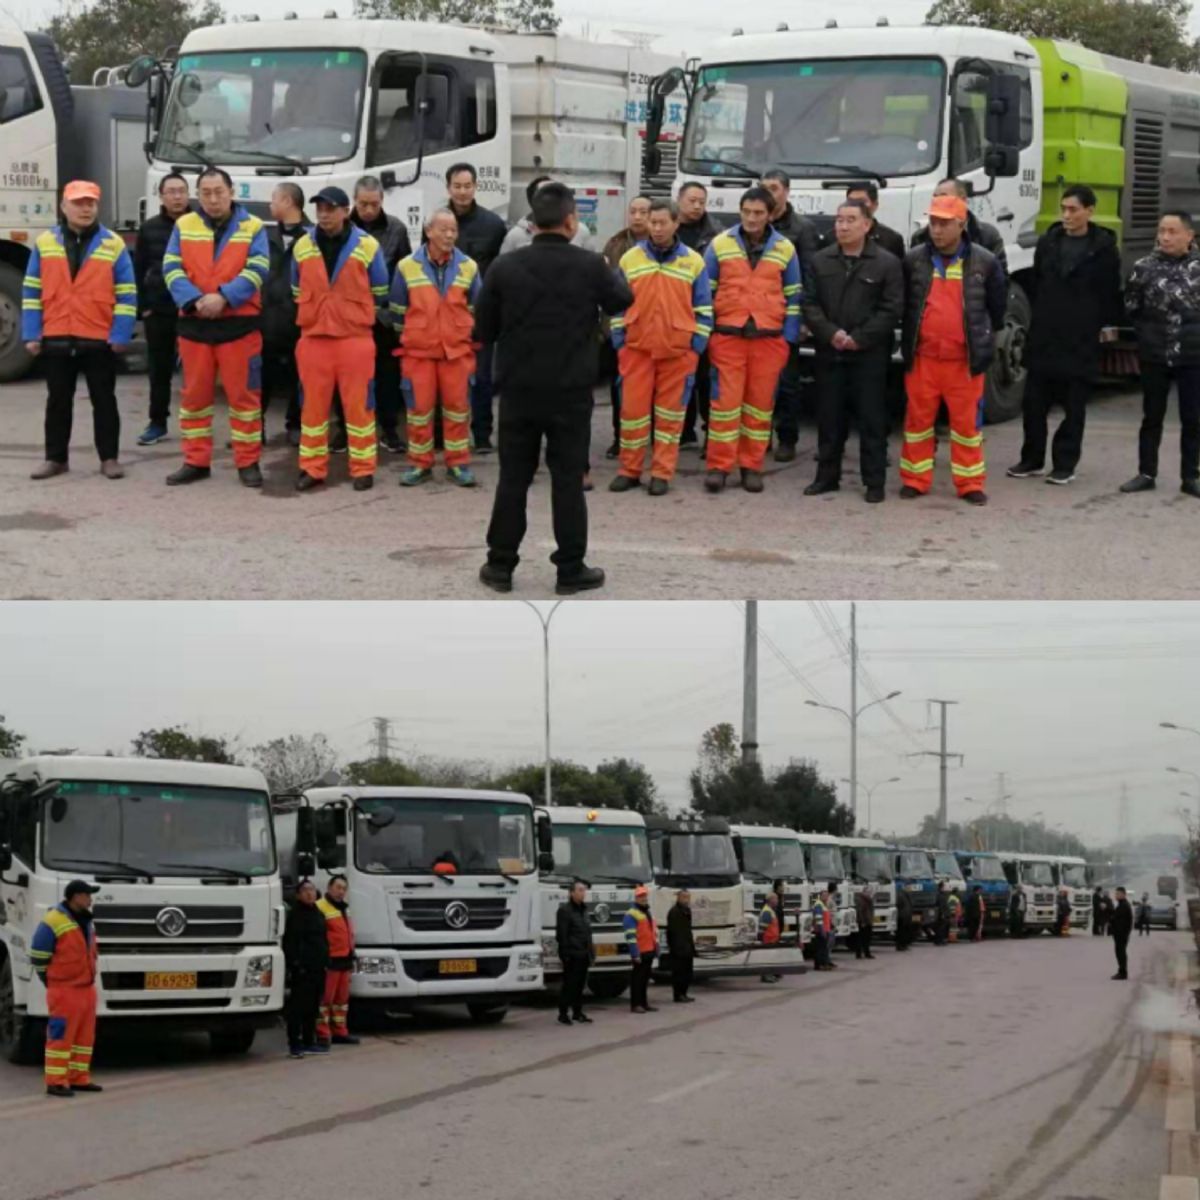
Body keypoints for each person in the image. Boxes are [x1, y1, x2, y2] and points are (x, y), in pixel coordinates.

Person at [476, 183, 631, 595]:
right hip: (570, 391)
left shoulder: (504, 267)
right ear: (570, 221)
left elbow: (483, 330)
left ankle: (500, 566)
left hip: (518, 389)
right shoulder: (590, 265)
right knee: (567, 481)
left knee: (513, 479)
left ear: (531, 223)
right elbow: (622, 300)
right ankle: (570, 569)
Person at [162, 167, 270, 488]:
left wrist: (224, 297)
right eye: (206, 193)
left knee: (245, 399)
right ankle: (195, 461)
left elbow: (258, 268)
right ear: (198, 195)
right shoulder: (184, 225)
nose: (212, 199)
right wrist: (195, 300)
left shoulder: (253, 226)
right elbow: (171, 267)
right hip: (195, 325)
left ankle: (248, 462)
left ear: (231, 192)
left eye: (218, 192)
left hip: (239, 326)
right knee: (194, 399)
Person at [1008, 185, 1123, 485]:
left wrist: (1104, 328)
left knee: (1073, 406)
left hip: (1080, 336)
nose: (1067, 215)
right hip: (1045, 333)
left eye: (1073, 209)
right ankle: (1031, 459)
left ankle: (1064, 464)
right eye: (1064, 209)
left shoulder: (1103, 249)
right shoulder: (1049, 242)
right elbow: (1038, 281)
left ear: (1089, 211)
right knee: (1034, 403)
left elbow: (1109, 292)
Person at [22, 180, 136, 482]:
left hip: (99, 336)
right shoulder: (45, 242)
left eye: (91, 203)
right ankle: (55, 459)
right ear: (63, 206)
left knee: (104, 400)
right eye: (78, 203)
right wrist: (32, 333)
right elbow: (31, 290)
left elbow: (127, 293)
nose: (85, 209)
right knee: (57, 401)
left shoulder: (113, 244)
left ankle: (109, 458)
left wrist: (121, 334)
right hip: (57, 333)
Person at [900, 194, 1006, 505]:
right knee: (918, 423)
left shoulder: (985, 262)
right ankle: (915, 479)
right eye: (933, 222)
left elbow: (997, 308)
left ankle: (970, 483)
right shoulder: (913, 259)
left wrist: (983, 342)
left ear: (961, 224)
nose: (936, 229)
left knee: (966, 426)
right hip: (924, 359)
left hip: (964, 361)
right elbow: (904, 304)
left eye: (944, 224)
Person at [802, 198, 904, 504]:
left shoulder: (886, 263)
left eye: (850, 220)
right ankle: (826, 477)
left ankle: (874, 482)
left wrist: (860, 338)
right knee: (829, 418)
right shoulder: (821, 261)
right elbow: (809, 303)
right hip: (830, 351)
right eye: (839, 220)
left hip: (869, 355)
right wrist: (830, 333)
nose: (843, 226)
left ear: (867, 224)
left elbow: (892, 308)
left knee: (872, 420)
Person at [609, 198, 712, 496]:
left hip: (678, 353)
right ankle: (629, 471)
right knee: (632, 414)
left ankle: (661, 473)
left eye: (662, 223)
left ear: (676, 223)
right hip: (636, 350)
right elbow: (617, 305)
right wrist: (620, 342)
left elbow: (704, 308)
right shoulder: (630, 259)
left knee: (670, 417)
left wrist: (695, 348)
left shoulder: (694, 261)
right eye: (652, 222)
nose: (656, 228)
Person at [703, 186, 802, 493]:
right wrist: (707, 333)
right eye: (746, 212)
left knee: (759, 407)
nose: (751, 218)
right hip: (727, 336)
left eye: (758, 213)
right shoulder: (720, 244)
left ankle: (751, 466)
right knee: (724, 405)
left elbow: (794, 296)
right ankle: (719, 466)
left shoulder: (785, 248)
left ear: (770, 215)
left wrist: (787, 338)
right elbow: (705, 292)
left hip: (768, 339)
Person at [290, 187, 388, 493]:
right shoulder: (302, 244)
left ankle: (363, 468)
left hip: (354, 339)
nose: (323, 214)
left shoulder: (368, 245)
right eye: (319, 209)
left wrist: (349, 312)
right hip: (314, 338)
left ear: (346, 211)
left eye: (330, 209)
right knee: (312, 409)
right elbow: (295, 288)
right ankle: (312, 468)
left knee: (359, 408)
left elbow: (380, 290)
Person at [389, 208, 480, 488]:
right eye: (444, 230)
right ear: (429, 231)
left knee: (458, 410)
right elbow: (397, 310)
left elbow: (476, 307)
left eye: (454, 230)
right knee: (418, 411)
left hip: (457, 352)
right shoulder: (406, 266)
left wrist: (461, 334)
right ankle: (420, 464)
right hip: (418, 353)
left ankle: (458, 464)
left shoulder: (469, 267)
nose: (450, 235)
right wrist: (414, 337)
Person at [1120, 210, 1200, 497]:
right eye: (1162, 231)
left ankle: (1190, 476)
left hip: (1193, 355)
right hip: (1154, 353)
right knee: (1152, 416)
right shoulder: (1143, 267)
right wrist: (1148, 335)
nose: (1165, 237)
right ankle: (1146, 473)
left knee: (1193, 418)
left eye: (1173, 232)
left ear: (1189, 235)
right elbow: (1132, 306)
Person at [760, 168, 821, 462]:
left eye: (774, 188)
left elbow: (809, 274)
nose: (769, 193)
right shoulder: (754, 222)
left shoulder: (802, 229)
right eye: (764, 188)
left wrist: (805, 319)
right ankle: (759, 438)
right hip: (757, 315)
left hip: (787, 317)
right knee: (759, 385)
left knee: (787, 384)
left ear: (786, 191)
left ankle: (787, 438)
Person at [446, 163, 508, 454]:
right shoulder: (438, 222)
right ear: (448, 188)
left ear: (476, 187)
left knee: (482, 377)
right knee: (448, 378)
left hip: (481, 314)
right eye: (457, 186)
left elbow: (500, 270)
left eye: (467, 186)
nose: (462, 192)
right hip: (446, 314)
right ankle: (446, 434)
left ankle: (482, 434)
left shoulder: (493, 225)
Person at [351, 176, 413, 456]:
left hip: (384, 317)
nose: (368, 209)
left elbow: (404, 272)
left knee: (387, 376)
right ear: (354, 201)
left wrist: (397, 315)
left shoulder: (396, 229)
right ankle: (346, 430)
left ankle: (390, 429)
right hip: (350, 317)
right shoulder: (343, 227)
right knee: (350, 377)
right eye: (363, 204)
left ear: (382, 201)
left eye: (374, 204)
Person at [29, 880, 102, 1097]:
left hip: (86, 989)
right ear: (76, 897)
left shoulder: (86, 921)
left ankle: (78, 1078)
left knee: (84, 1039)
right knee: (60, 1037)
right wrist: (51, 980)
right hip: (64, 990)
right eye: (87, 895)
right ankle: (56, 1082)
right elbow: (39, 956)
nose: (90, 900)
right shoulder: (53, 920)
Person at [134, 172, 191, 446]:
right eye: (171, 192)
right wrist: (143, 307)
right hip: (159, 309)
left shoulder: (200, 225)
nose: (177, 197)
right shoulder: (149, 229)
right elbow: (139, 269)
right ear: (161, 196)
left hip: (193, 309)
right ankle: (157, 422)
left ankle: (195, 425)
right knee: (159, 370)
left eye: (182, 191)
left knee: (196, 372)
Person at [602, 195, 655, 459]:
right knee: (620, 387)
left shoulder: (662, 245)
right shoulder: (615, 245)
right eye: (633, 211)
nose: (637, 217)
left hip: (655, 326)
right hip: (623, 327)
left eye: (643, 212)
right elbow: (607, 287)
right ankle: (620, 437)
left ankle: (653, 437)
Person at [261, 181, 309, 448]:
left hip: (298, 320)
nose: (271, 204)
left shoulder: (312, 239)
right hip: (267, 320)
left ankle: (296, 425)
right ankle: (254, 426)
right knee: (261, 376)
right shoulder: (265, 237)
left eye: (274, 199)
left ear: (288, 202)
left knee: (299, 377)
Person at [676, 182, 719, 448]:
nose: (697, 206)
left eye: (701, 201)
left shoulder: (716, 235)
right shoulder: (668, 229)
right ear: (679, 199)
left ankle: (711, 432)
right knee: (680, 376)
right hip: (675, 314)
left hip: (704, 313)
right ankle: (684, 431)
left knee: (706, 377)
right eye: (692, 200)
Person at [911, 177, 1008, 273]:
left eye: (944, 197)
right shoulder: (921, 237)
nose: (938, 202)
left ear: (962, 200)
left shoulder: (987, 236)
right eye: (935, 197)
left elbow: (1000, 277)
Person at [282, 879, 330, 1057]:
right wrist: (296, 964)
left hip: (318, 967)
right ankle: (295, 1044)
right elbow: (291, 943)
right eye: (305, 890)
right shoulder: (295, 915)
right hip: (302, 970)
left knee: (313, 1007)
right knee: (298, 1008)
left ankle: (310, 1042)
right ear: (298, 895)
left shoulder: (318, 913)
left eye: (312, 890)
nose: (310, 893)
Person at [315, 874, 359, 1046]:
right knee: (325, 1000)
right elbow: (318, 936)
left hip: (345, 959)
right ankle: (322, 1033)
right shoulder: (320, 907)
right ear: (329, 888)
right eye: (338, 887)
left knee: (341, 1001)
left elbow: (348, 933)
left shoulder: (344, 908)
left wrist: (352, 953)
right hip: (330, 961)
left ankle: (340, 1032)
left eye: (344, 889)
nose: (341, 891)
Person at [500, 175, 594, 253]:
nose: (553, 199)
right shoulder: (515, 235)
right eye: (547, 195)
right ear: (533, 202)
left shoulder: (581, 231)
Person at [555, 878, 595, 1025]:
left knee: (580, 985)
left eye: (584, 890)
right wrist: (565, 954)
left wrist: (591, 952)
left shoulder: (584, 910)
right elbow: (562, 934)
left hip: (584, 953)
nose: (583, 893)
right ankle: (563, 1013)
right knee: (569, 984)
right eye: (580, 890)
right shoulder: (565, 911)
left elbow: (588, 933)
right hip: (572, 954)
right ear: (571, 893)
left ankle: (577, 1013)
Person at [845, 181, 907, 261]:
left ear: (875, 205)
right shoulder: (833, 237)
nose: (855, 206)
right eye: (851, 201)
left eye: (862, 201)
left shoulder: (891, 240)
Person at [624, 884, 658, 1013]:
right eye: (640, 896)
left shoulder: (646, 911)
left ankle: (644, 1003)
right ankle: (635, 1004)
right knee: (637, 980)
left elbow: (653, 931)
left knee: (644, 979)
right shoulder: (631, 914)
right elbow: (630, 936)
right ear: (636, 898)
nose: (643, 898)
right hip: (640, 951)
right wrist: (635, 953)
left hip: (649, 949)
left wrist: (656, 948)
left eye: (644, 896)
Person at [666, 888, 696, 1003]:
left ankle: (684, 993)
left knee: (687, 972)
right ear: (678, 898)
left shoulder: (687, 910)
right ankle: (678, 995)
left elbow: (688, 931)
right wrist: (676, 948)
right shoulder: (674, 912)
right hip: (678, 949)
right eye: (684, 897)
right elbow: (673, 932)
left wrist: (691, 947)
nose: (686, 900)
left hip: (687, 947)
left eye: (688, 897)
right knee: (679, 973)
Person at [758, 888, 783, 982]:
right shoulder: (767, 912)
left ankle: (771, 974)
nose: (777, 901)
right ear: (771, 900)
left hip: (771, 939)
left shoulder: (770, 910)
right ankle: (766, 976)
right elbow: (762, 928)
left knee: (770, 958)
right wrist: (761, 939)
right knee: (767, 959)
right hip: (768, 939)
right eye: (776, 899)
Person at [1109, 886, 1133, 979]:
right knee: (1119, 952)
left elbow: (1120, 921)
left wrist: (1112, 920)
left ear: (1123, 894)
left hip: (1121, 934)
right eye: (1116, 894)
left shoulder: (1124, 905)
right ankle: (1121, 971)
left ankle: (1122, 973)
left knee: (1121, 953)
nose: (1116, 895)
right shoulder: (1121, 904)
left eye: (1118, 894)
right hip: (1120, 933)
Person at [811, 887, 835, 970]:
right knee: (820, 948)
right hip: (821, 930)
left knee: (823, 948)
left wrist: (831, 926)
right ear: (820, 896)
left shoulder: (823, 904)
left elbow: (826, 918)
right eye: (824, 895)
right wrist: (822, 930)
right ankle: (820, 965)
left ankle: (822, 964)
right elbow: (818, 919)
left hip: (825, 929)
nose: (826, 897)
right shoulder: (818, 905)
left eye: (827, 895)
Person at [853, 885, 875, 959]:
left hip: (868, 921)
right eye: (868, 892)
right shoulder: (861, 900)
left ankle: (866, 952)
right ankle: (859, 953)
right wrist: (862, 921)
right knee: (862, 938)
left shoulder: (868, 899)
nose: (870, 893)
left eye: (870, 892)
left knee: (867, 938)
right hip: (863, 921)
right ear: (864, 892)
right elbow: (860, 911)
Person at [895, 885, 914, 951]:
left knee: (905, 931)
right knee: (901, 932)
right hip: (902, 916)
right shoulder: (900, 895)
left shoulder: (906, 895)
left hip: (906, 916)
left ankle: (904, 945)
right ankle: (900, 945)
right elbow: (899, 905)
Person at [933, 881, 951, 945]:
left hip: (943, 913)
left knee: (941, 927)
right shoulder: (940, 895)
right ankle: (939, 940)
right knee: (941, 928)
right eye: (944, 886)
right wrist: (943, 914)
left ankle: (939, 940)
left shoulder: (942, 894)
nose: (945, 887)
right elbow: (941, 905)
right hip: (942, 914)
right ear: (941, 887)